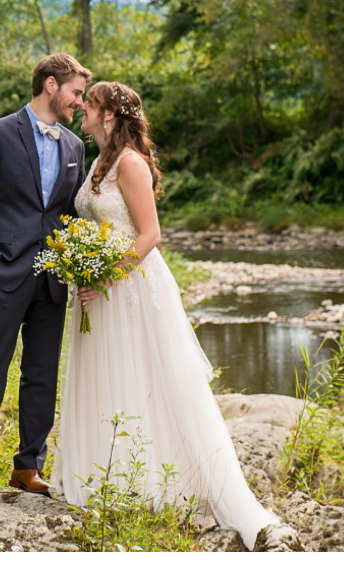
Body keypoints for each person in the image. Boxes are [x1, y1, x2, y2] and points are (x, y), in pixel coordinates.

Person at [52, 81, 280, 550]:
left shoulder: (130, 163)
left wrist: (104, 276)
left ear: (109, 115)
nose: (82, 110)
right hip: (99, 287)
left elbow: (150, 234)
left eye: (89, 105)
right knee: (105, 375)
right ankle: (103, 472)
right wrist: (83, 269)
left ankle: (149, 480)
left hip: (130, 287)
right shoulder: (98, 161)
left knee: (141, 378)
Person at [0, 53, 92, 498]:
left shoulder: (75, 146)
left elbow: (70, 212)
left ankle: (27, 466)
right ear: (50, 85)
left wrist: (78, 263)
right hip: (2, 273)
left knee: (41, 373)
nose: (79, 102)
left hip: (53, 277)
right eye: (75, 92)